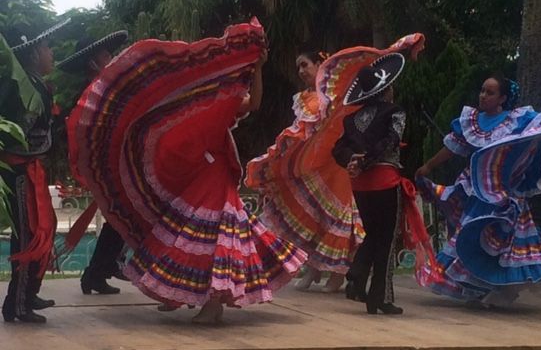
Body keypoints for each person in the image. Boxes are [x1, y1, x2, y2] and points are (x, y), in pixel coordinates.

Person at [72, 19, 306, 324]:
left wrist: (258, 68)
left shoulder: (229, 99)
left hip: (216, 174)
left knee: (212, 237)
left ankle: (213, 304)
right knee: (185, 232)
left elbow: (255, 103)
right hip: (198, 173)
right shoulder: (206, 96)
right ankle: (180, 294)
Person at [414, 76, 541, 306]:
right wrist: (428, 166)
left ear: (503, 98)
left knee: (502, 243)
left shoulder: (518, 120)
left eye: (490, 92)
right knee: (472, 238)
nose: (483, 96)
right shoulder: (471, 121)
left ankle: (499, 291)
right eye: (482, 90)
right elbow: (453, 148)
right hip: (476, 192)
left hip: (504, 196)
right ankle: (476, 289)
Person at [245, 51, 363, 293]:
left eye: (305, 65)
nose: (301, 71)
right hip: (313, 164)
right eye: (298, 66)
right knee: (313, 217)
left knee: (334, 216)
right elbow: (299, 131)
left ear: (320, 64)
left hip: (336, 163)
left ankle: (337, 274)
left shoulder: (336, 92)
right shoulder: (301, 98)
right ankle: (313, 268)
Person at [0, 19, 69, 323]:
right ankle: (16, 304)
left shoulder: (36, 85)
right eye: (47, 48)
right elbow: (17, 135)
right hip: (19, 173)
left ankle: (28, 294)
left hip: (31, 172)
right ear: (32, 54)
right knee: (28, 236)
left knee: (44, 228)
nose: (51, 53)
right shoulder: (17, 88)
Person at [332, 54, 409, 315]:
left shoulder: (351, 120)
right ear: (386, 88)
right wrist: (365, 162)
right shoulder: (395, 111)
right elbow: (390, 141)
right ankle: (380, 297)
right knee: (386, 239)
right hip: (385, 179)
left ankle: (357, 276)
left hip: (362, 186)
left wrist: (352, 161)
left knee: (374, 234)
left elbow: (338, 148)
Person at [58, 30, 130, 295]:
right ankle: (102, 269)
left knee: (121, 218)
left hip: (115, 165)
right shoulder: (91, 95)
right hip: (106, 168)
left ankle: (99, 271)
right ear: (92, 62)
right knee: (122, 217)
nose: (110, 57)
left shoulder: (105, 89)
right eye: (104, 54)